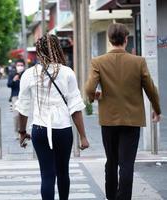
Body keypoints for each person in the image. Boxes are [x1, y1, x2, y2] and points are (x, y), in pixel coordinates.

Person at [85, 23, 161, 200]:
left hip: (108, 121)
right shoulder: (138, 61)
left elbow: (89, 88)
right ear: (126, 40)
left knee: (111, 162)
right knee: (126, 164)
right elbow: (151, 89)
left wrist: (93, 97)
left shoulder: (98, 61)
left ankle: (111, 196)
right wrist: (157, 110)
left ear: (110, 40)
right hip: (132, 121)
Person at [16, 34, 89, 200]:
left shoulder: (29, 74)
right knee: (63, 172)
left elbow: (23, 108)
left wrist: (22, 132)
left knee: (47, 175)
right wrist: (83, 136)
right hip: (63, 129)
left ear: (38, 52)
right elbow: (75, 107)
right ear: (58, 49)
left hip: (40, 129)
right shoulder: (67, 73)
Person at [7, 59, 25, 139]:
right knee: (16, 115)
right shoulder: (12, 74)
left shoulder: (26, 74)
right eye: (18, 65)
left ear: (24, 66)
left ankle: (22, 131)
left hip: (25, 96)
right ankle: (16, 131)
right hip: (15, 96)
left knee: (24, 114)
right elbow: (9, 84)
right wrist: (14, 80)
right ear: (16, 66)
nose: (20, 67)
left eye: (21, 65)